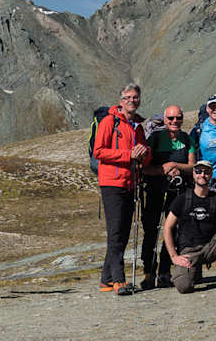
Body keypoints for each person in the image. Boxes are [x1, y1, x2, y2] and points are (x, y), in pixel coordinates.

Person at [93, 83, 151, 295]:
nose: (132, 101)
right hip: (112, 183)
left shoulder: (137, 126)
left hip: (130, 183)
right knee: (116, 233)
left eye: (135, 97)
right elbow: (99, 151)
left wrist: (145, 152)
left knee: (122, 233)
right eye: (128, 97)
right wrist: (128, 155)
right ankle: (119, 281)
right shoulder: (110, 122)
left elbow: (145, 156)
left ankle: (106, 280)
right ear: (121, 101)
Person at [162, 160, 216, 293]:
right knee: (184, 287)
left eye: (206, 172)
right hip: (189, 251)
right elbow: (167, 227)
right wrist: (174, 256)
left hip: (210, 247)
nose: (202, 175)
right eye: (198, 171)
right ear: (193, 174)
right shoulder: (182, 198)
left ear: (211, 175)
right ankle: (193, 272)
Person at [140, 104, 196, 290]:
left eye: (178, 118)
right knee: (151, 231)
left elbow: (192, 166)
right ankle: (148, 271)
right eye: (171, 118)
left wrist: (175, 166)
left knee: (172, 230)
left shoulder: (187, 139)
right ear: (164, 120)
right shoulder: (155, 138)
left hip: (177, 191)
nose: (175, 121)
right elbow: (144, 168)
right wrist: (162, 170)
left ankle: (165, 271)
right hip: (154, 189)